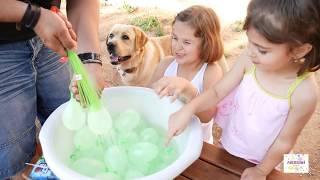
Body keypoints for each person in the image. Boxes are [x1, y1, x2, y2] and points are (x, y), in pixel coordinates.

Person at [166, 0, 320, 179]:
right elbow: (217, 92)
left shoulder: (304, 93)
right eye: (250, 42)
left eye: (262, 50)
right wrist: (188, 109)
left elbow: (285, 141)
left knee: (295, 168)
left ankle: (305, 169)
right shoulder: (249, 59)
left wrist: (262, 170)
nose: (251, 51)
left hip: (268, 159)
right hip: (232, 143)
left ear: (300, 50)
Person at [0, 0, 103, 179]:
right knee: (13, 153)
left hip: (53, 33)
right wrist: (32, 15)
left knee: (71, 125)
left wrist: (90, 60)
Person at [149, 5, 227, 144]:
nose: (177, 47)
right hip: (162, 136)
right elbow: (147, 98)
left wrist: (188, 90)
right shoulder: (166, 65)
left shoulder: (210, 72)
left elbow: (206, 116)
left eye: (186, 42)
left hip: (196, 145)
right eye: (174, 38)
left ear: (206, 44)